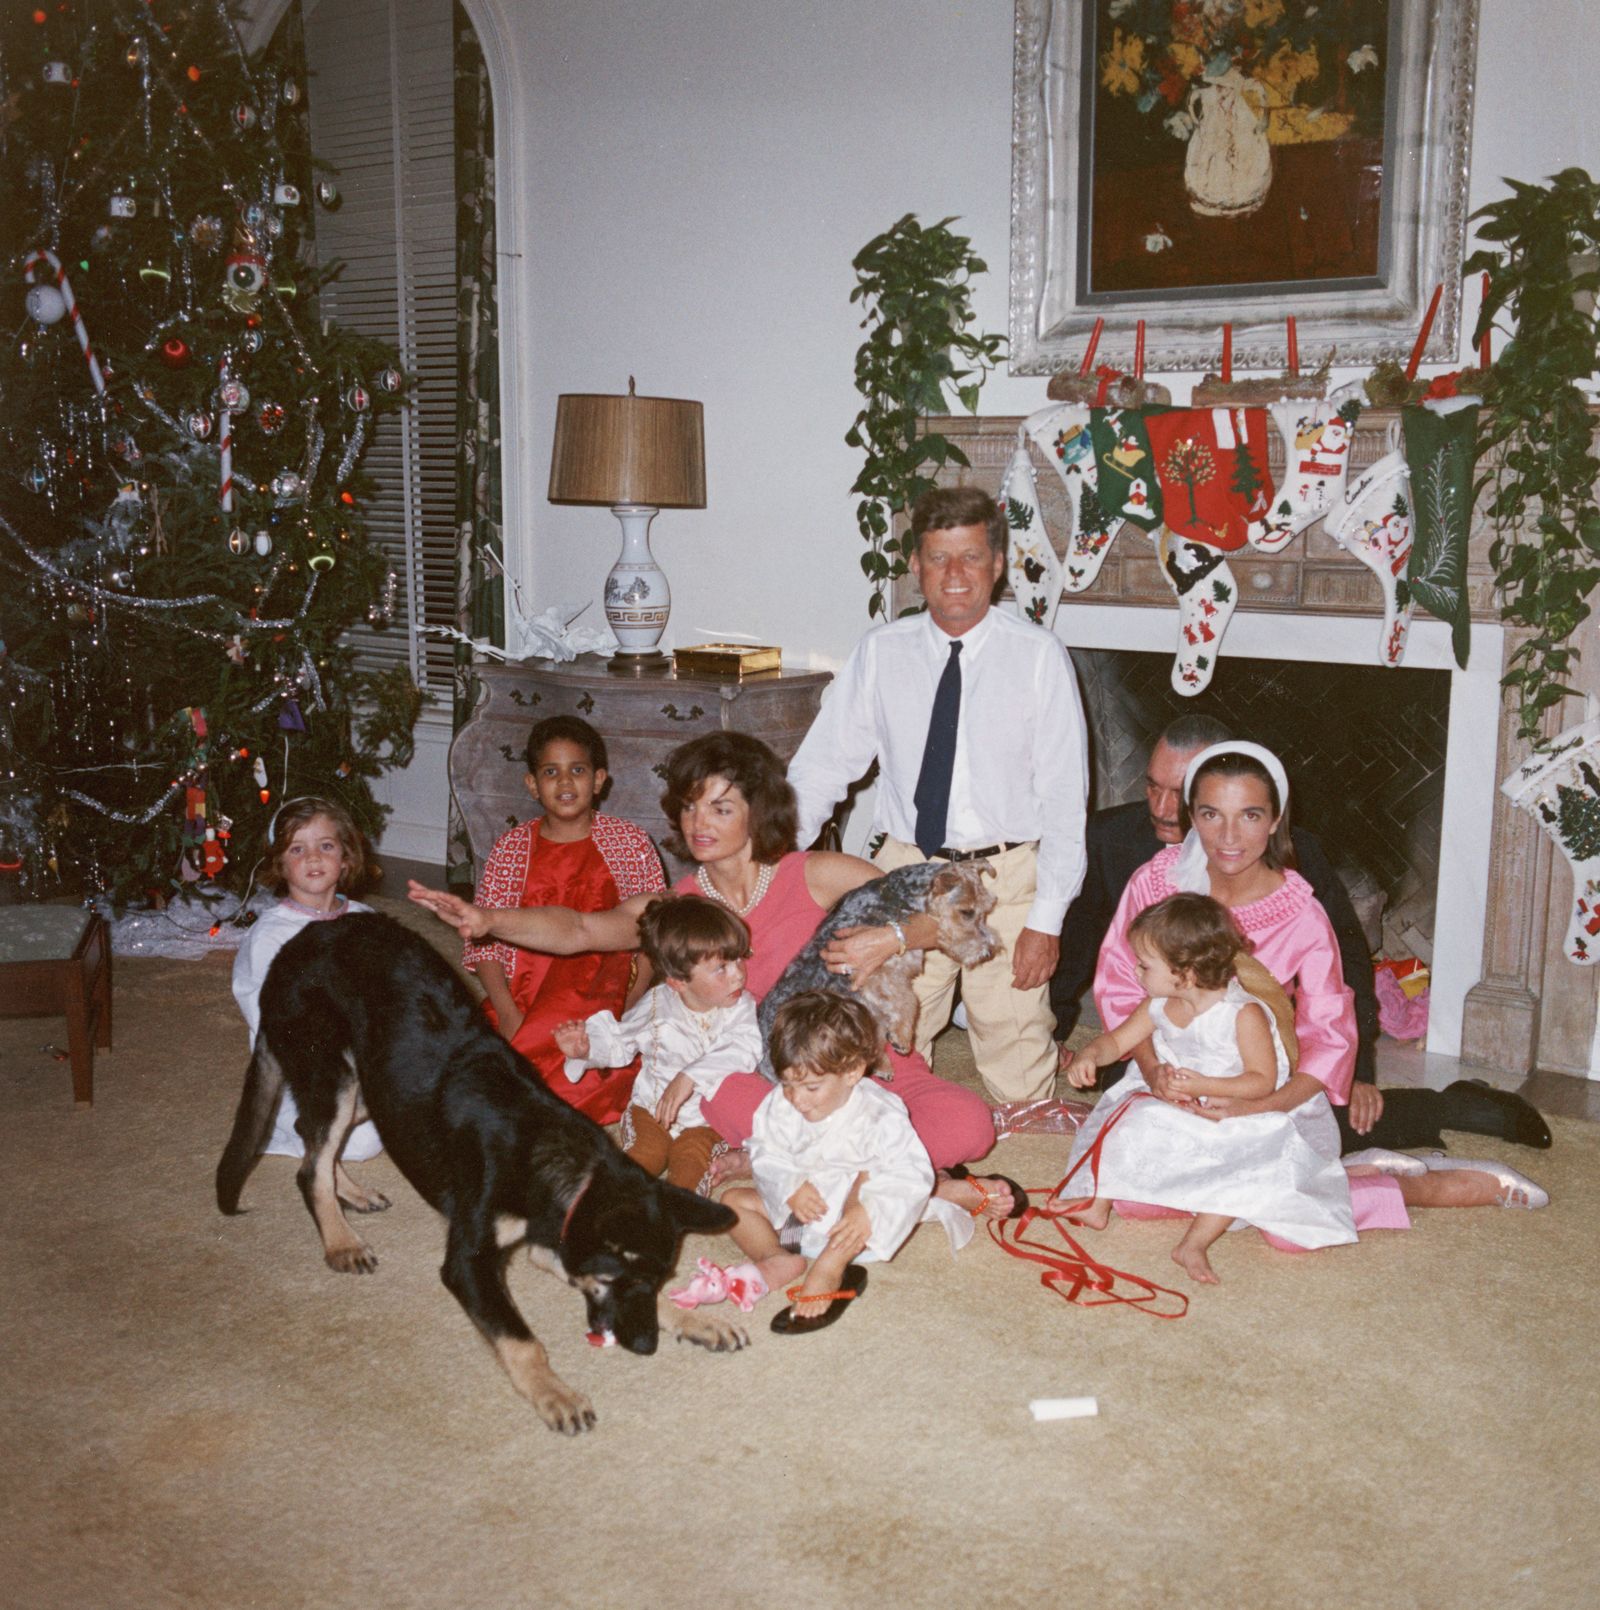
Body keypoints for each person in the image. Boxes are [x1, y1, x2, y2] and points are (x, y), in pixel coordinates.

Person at [408, 730, 1020, 1218]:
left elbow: (942, 910)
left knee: (971, 1126)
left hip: (862, 1058)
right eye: (691, 804)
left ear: (759, 813)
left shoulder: (816, 872)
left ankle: (800, 1173)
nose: (700, 820)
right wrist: (487, 918)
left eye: (721, 806)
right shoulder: (676, 908)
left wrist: (889, 939)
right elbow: (580, 930)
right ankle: (897, 1184)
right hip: (765, 1082)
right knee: (715, 1093)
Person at [1090, 741, 1549, 1241]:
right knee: (1138, 1201)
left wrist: (1261, 1107)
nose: (1227, 836)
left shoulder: (1300, 911)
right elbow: (1119, 987)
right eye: (1209, 814)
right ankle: (1349, 1171)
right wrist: (1156, 1072)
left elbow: (1330, 1031)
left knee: (1291, 1228)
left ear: (1275, 819)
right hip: (1176, 1080)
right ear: (1191, 816)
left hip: (1267, 1089)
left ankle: (1429, 1187)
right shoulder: (1154, 884)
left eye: (1249, 815)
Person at [787, 485, 1089, 1105]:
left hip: (1005, 876)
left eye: (971, 557)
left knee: (1015, 1046)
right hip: (908, 872)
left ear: (997, 565)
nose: (955, 575)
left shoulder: (1038, 657)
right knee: (886, 1043)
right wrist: (769, 869)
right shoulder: (881, 652)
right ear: (916, 566)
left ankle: (1022, 1132)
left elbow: (1065, 799)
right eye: (939, 558)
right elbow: (820, 770)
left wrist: (1046, 920)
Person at [1057, 892, 1356, 1284]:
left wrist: (1204, 1084)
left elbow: (1262, 1080)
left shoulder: (1242, 1013)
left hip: (1236, 1108)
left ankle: (1194, 1243)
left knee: (1244, 1164)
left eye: (1145, 965)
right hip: (1177, 1103)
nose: (1135, 971)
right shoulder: (1157, 1005)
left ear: (1186, 972)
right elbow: (1116, 1041)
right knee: (1127, 1120)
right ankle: (1098, 1204)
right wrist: (1089, 1056)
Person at [715, 991, 975, 1334]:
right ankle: (774, 1256)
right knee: (732, 1203)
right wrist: (790, 1184)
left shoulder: (879, 1113)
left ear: (853, 1071)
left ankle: (830, 1266)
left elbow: (905, 1171)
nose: (796, 1099)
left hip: (852, 1216)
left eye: (810, 1087)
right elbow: (766, 1150)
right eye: (788, 1084)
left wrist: (862, 1209)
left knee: (872, 1187)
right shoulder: (781, 1104)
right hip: (800, 1205)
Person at [463, 714, 665, 1124]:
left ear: (599, 780)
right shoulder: (511, 848)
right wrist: (507, 1014)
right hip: (527, 994)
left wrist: (631, 1002)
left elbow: (656, 937)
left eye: (578, 770)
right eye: (551, 772)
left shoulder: (629, 843)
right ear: (533, 784)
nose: (566, 783)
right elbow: (482, 942)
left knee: (591, 1084)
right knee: (491, 1078)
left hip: (603, 997)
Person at [553, 895, 761, 1192]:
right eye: (721, 968)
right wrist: (586, 1048)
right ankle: (599, 1210)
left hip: (706, 1122)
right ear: (678, 981)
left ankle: (666, 1224)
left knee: (689, 1172)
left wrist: (690, 1076)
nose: (738, 974)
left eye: (739, 959)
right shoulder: (656, 1005)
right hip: (652, 1108)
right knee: (641, 1159)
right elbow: (620, 1042)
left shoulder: (740, 1007)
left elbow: (745, 1048)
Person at [231, 795, 381, 1162]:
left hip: (361, 1060)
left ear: (345, 858)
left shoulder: (364, 919)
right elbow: (269, 1017)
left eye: (326, 846)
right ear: (280, 865)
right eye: (297, 849)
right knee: (362, 1146)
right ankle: (286, 1134)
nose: (313, 858)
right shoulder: (271, 935)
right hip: (302, 1072)